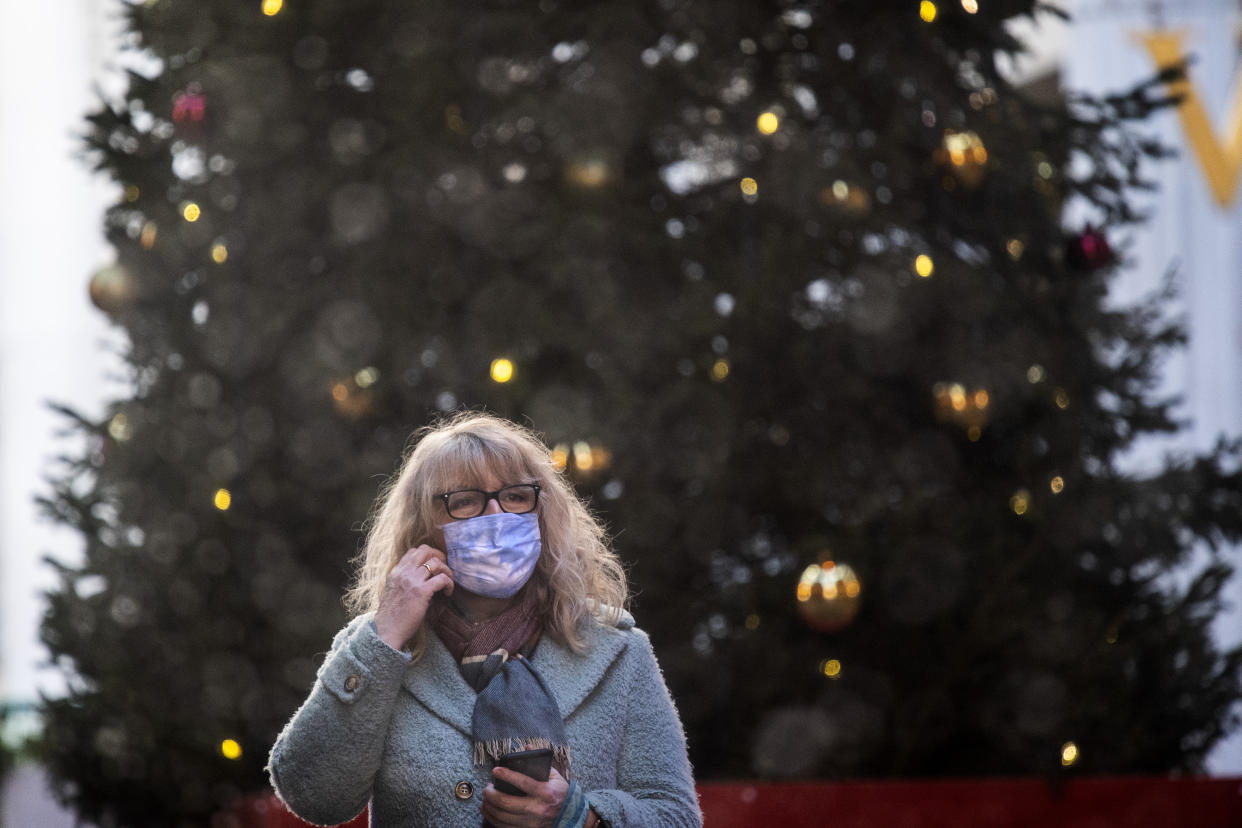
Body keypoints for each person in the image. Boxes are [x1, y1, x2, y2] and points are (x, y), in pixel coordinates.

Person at [267, 412, 702, 828]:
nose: (497, 517)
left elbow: (676, 815)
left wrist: (582, 817)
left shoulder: (616, 648)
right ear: (424, 528)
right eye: (466, 501)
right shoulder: (380, 649)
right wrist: (385, 635)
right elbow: (314, 796)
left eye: (515, 496)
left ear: (541, 513)